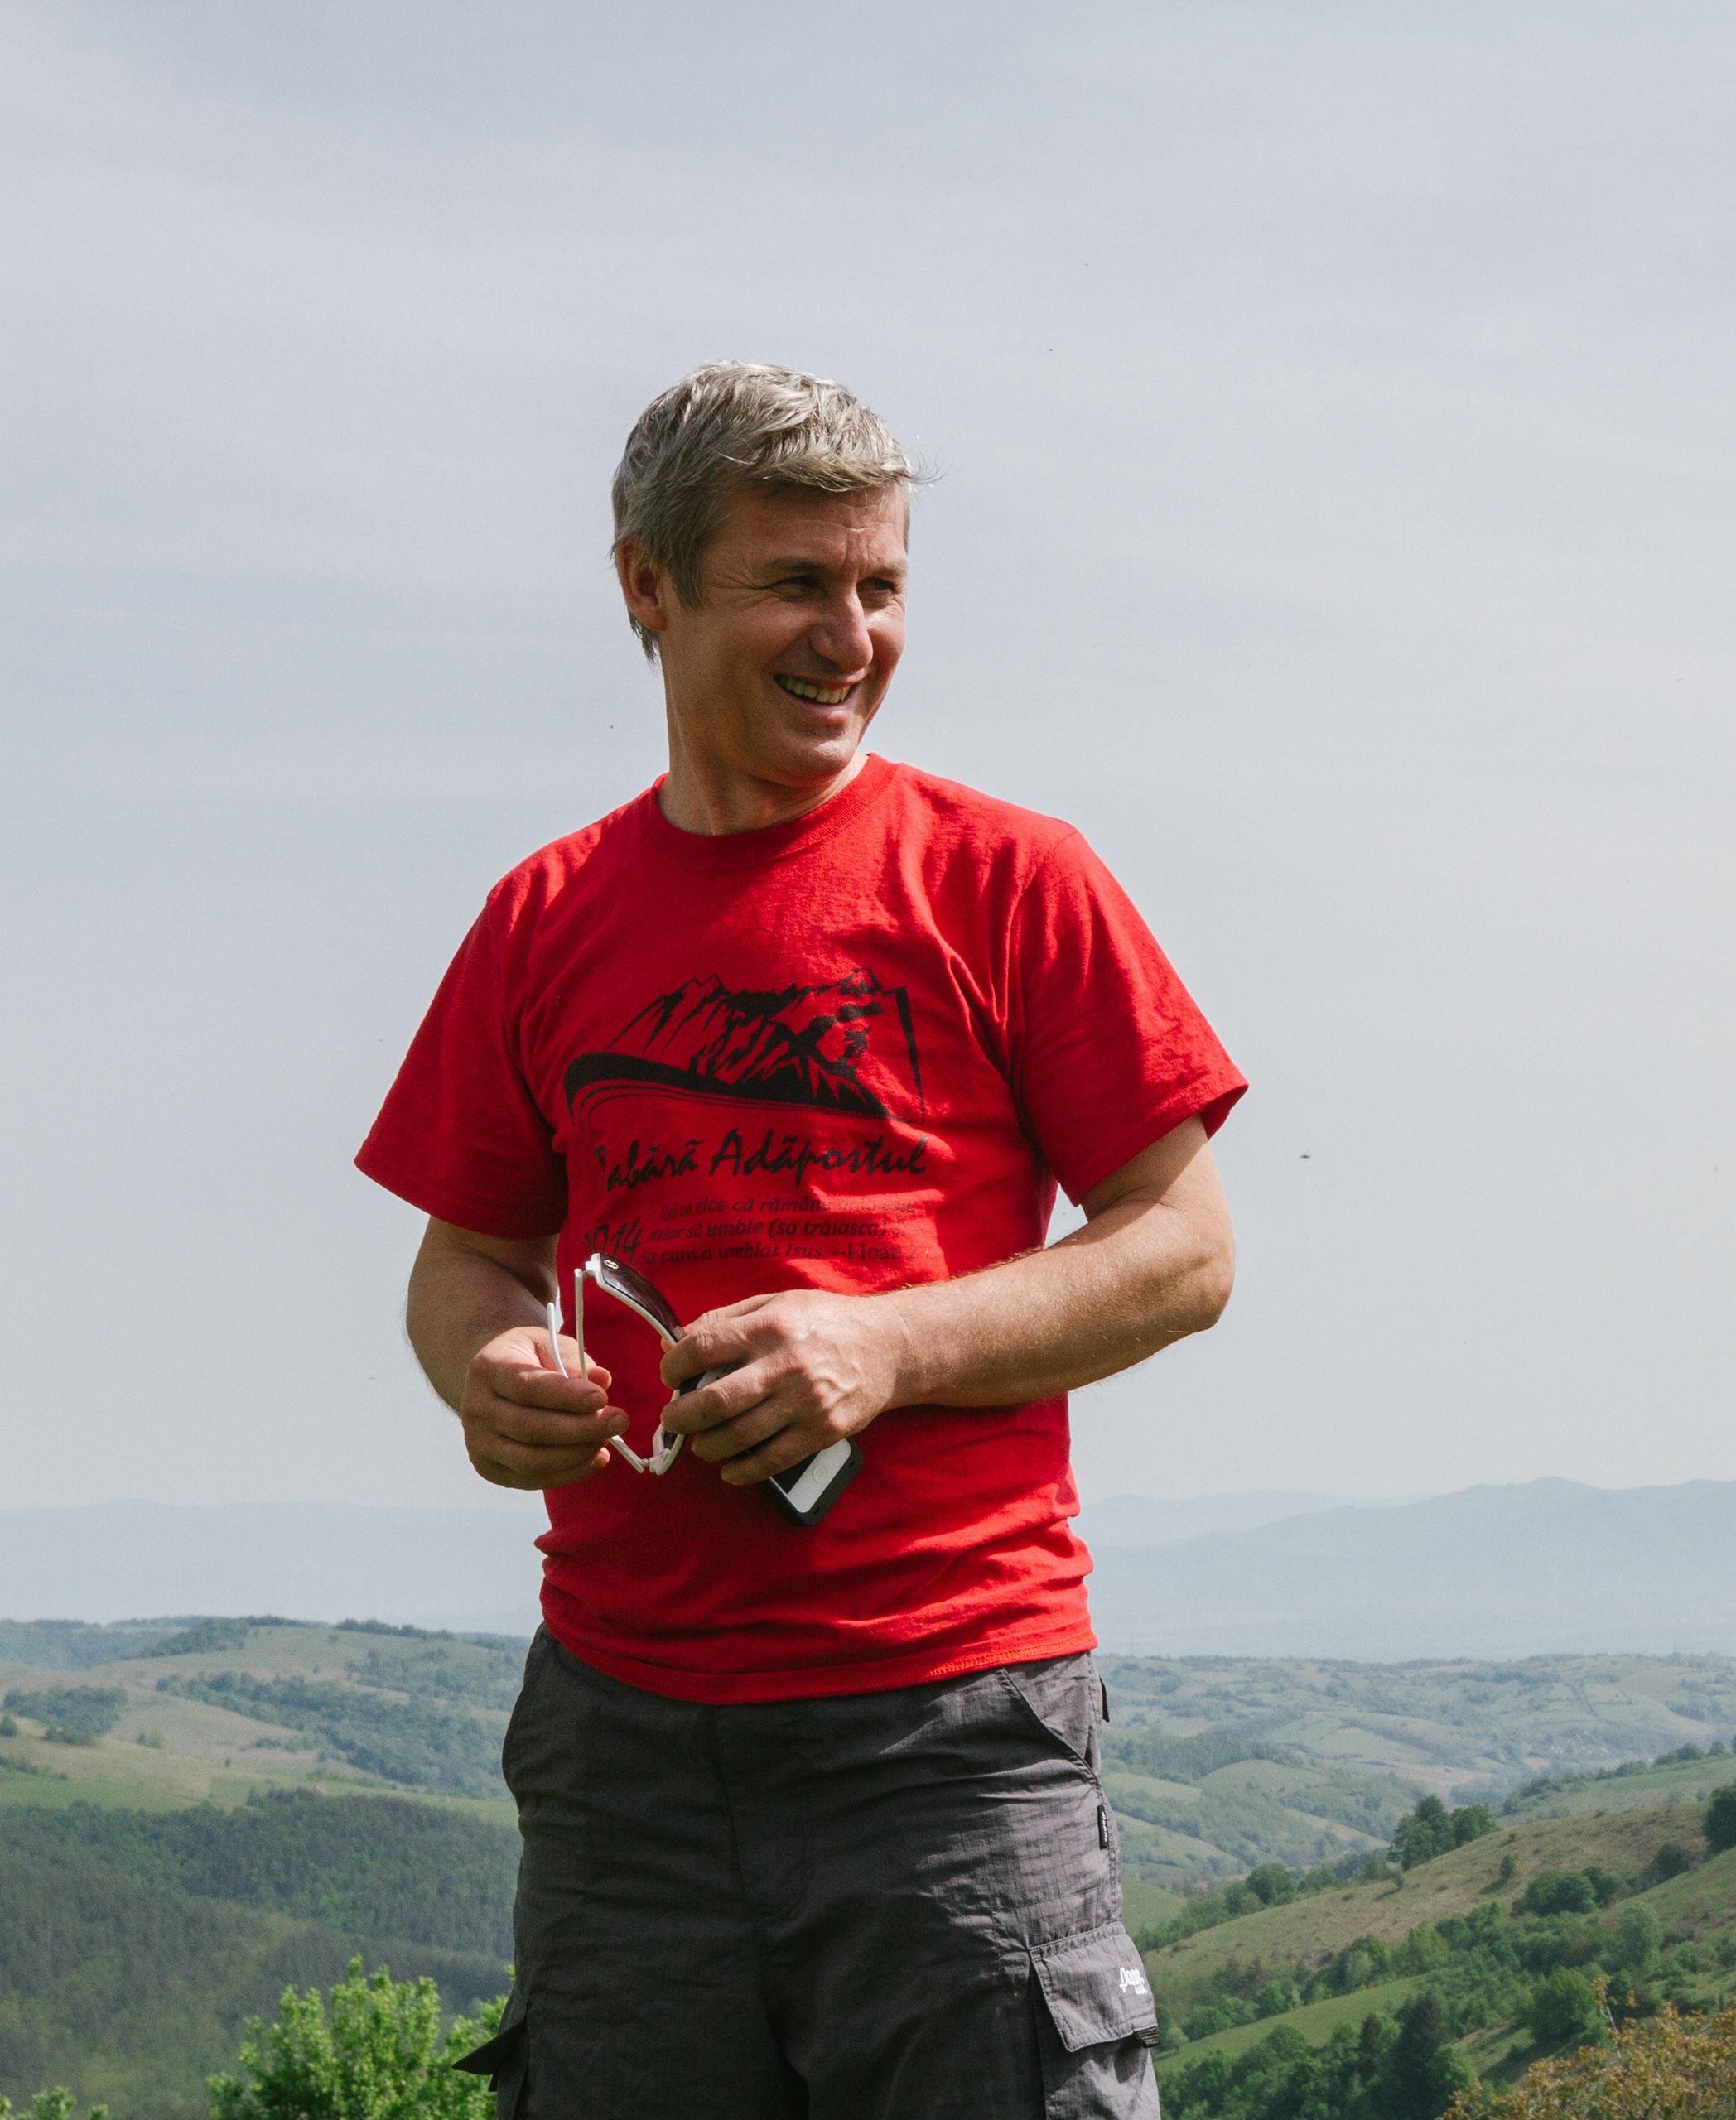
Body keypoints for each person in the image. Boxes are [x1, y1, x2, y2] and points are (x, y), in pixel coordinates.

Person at [357, 362, 1244, 2117]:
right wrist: (488, 1364)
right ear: (649, 586)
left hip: (953, 1735)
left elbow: (1185, 1248)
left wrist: (883, 1344)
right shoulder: (541, 917)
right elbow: (468, 1256)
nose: (851, 637)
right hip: (620, 1754)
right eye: (796, 583)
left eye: (881, 585)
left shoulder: (1011, 877)